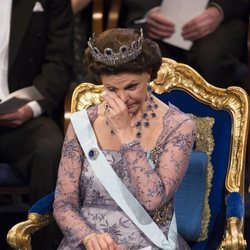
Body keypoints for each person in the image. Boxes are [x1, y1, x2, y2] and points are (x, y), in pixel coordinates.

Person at [53, 28, 196, 249]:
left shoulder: (179, 126)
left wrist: (126, 134)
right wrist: (88, 237)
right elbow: (64, 204)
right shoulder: (83, 124)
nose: (122, 99)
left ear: (149, 74)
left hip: (150, 242)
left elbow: (152, 199)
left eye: (131, 87)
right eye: (111, 89)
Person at [0, 0, 73, 205]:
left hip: (24, 113)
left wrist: (30, 107)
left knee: (49, 148)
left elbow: (59, 62)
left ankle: (43, 235)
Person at [118, 0, 250, 89]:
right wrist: (149, 11)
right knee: (141, 49)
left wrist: (219, 10)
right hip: (154, 17)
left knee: (211, 55)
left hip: (223, 19)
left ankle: (217, 125)